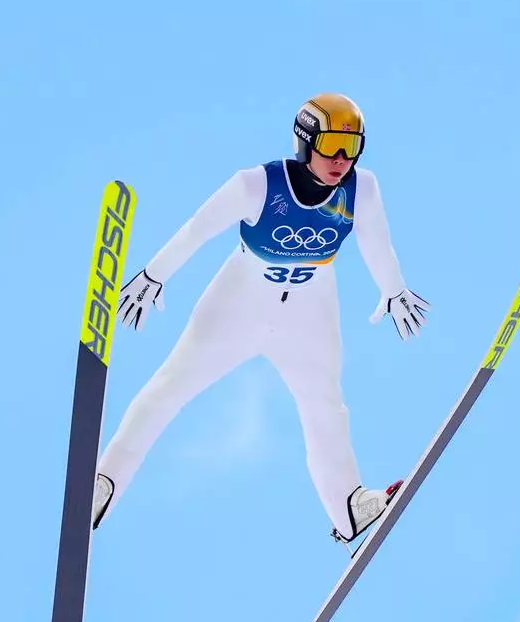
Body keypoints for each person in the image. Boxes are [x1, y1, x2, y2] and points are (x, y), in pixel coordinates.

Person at [89, 92, 430, 546]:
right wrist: (155, 275)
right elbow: (197, 229)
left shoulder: (361, 189)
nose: (342, 159)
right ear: (306, 143)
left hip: (310, 313)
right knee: (169, 388)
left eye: (353, 147)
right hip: (238, 306)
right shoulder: (256, 185)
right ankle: (102, 484)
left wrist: (393, 289)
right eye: (331, 145)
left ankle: (348, 506)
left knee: (325, 404)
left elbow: (376, 242)